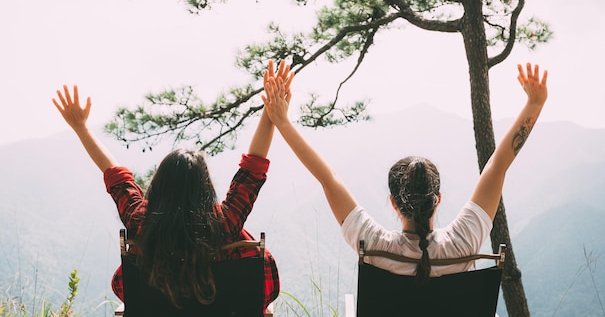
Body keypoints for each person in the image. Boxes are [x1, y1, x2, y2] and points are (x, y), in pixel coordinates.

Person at [262, 61, 547, 282]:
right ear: (438, 199)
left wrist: (283, 122)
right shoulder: (465, 241)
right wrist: (534, 104)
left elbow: (327, 179)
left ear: (394, 203)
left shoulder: (375, 247)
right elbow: (498, 165)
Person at [53, 60, 293, 312]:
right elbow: (252, 171)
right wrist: (272, 110)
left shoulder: (140, 221)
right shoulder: (225, 223)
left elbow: (115, 176)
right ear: (204, 188)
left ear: (159, 184)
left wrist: (80, 128)